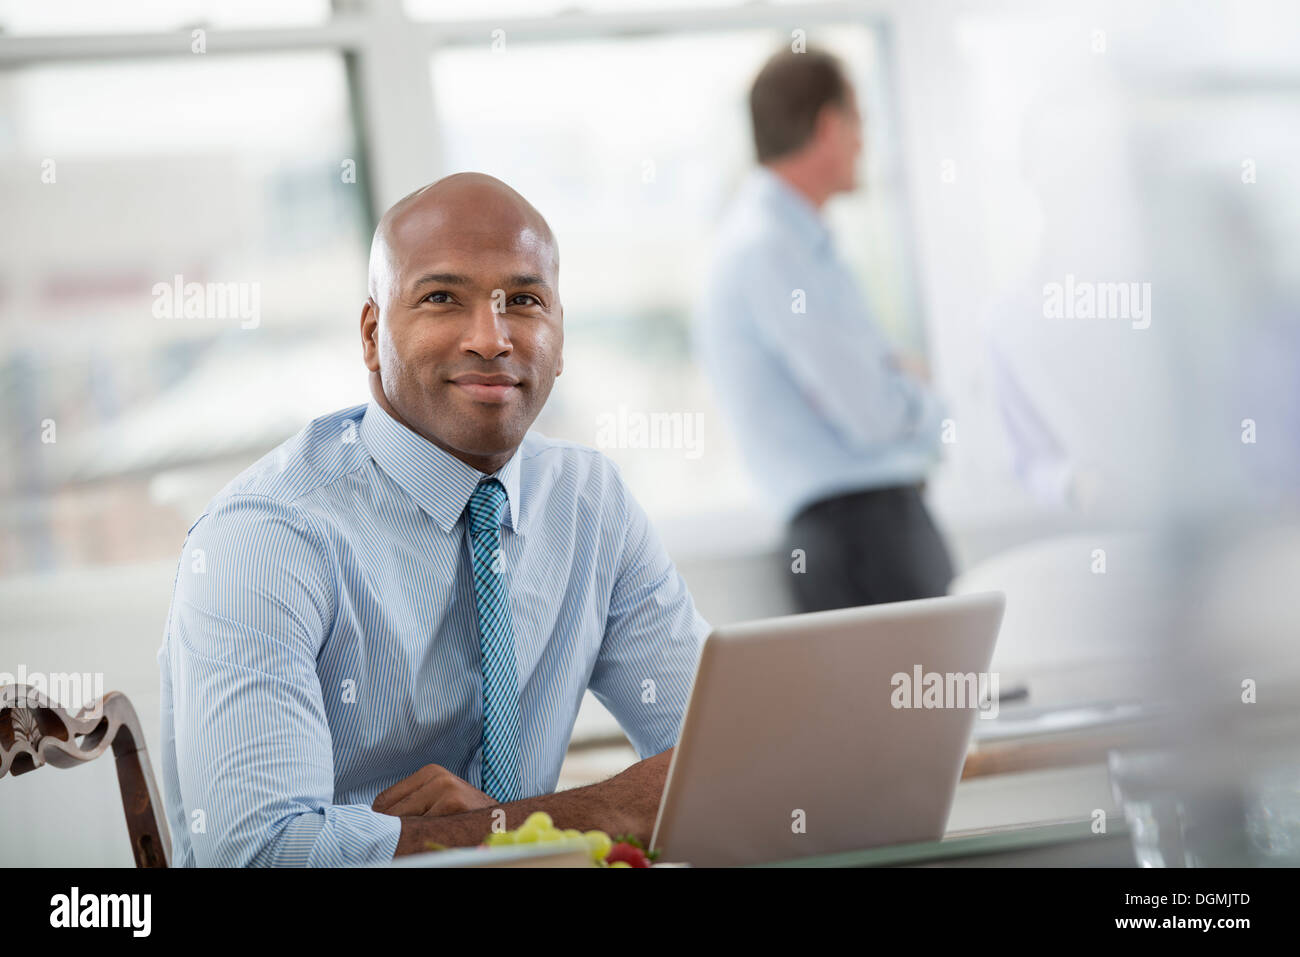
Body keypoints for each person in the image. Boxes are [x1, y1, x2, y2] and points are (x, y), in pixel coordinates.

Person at [157, 173, 711, 866]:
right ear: (371, 333)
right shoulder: (265, 537)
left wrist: (508, 823)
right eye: (442, 298)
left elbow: (725, 756)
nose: (491, 337)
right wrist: (583, 814)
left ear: (560, 337)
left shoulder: (590, 501)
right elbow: (260, 852)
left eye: (525, 300)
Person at [696, 47, 954, 612]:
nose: (865, 140)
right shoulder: (773, 249)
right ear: (829, 126)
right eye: (861, 121)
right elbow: (873, 413)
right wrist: (925, 401)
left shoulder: (789, 242)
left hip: (864, 534)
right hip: (866, 537)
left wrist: (892, 380)